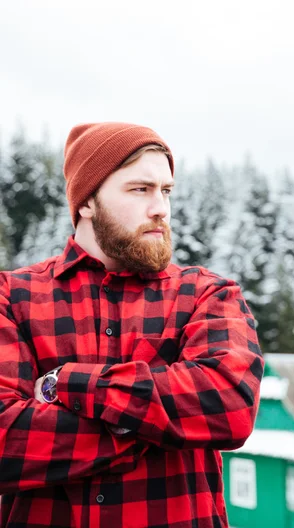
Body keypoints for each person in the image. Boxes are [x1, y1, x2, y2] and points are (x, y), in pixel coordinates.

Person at [0, 122, 264, 528]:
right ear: (87, 201)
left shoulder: (206, 294)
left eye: (166, 191)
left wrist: (67, 383)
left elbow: (229, 405)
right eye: (140, 189)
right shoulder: (11, 297)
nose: (161, 207)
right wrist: (156, 425)